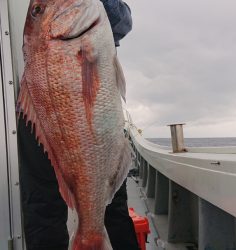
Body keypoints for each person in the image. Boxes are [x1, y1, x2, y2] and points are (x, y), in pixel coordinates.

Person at [18, 1, 139, 250]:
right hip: (44, 114)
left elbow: (123, 22)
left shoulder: (92, 12)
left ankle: (93, 235)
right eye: (39, 8)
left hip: (86, 116)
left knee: (111, 204)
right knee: (42, 207)